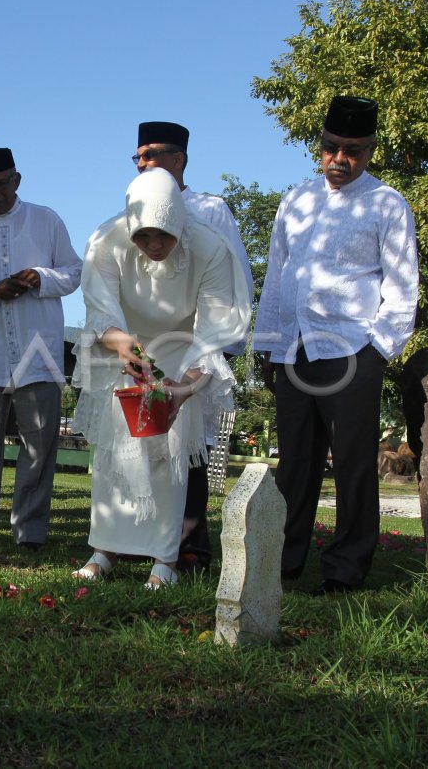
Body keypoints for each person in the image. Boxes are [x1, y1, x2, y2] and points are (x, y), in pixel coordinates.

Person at [255, 95, 419, 595]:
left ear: (370, 150)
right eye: (331, 147)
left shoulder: (387, 204)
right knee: (296, 464)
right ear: (319, 144)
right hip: (295, 349)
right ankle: (280, 566)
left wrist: (376, 351)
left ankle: (344, 571)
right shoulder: (296, 201)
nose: (340, 159)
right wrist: (268, 343)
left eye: (353, 150)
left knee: (352, 463)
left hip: (352, 350)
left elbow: (403, 287)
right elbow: (278, 277)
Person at [72, 168, 251, 587]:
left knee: (168, 455)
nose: (153, 246)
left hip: (182, 348)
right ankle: (104, 550)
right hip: (125, 345)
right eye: (143, 236)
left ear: (177, 223)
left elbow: (212, 332)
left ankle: (164, 559)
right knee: (113, 454)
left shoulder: (209, 248)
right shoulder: (105, 241)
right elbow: (101, 310)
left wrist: (183, 388)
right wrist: (124, 347)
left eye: (163, 236)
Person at [133, 120, 254, 572]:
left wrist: (218, 346)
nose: (143, 164)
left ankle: (190, 547)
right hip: (149, 344)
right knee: (146, 446)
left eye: (151, 155)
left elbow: (236, 277)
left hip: (195, 346)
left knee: (191, 449)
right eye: (138, 157)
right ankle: (141, 540)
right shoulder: (134, 207)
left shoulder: (211, 208)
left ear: (178, 159)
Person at [0, 147, 83, 549]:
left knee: (39, 444)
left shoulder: (46, 220)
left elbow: (74, 272)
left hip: (38, 353)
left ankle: (29, 530)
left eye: (1, 184)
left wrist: (40, 278)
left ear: (17, 180)